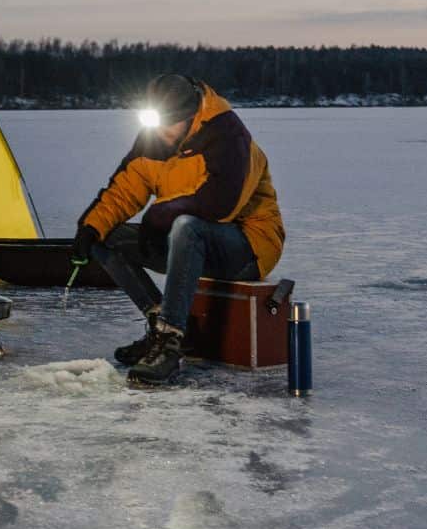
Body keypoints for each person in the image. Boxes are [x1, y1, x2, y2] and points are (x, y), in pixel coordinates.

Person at [72, 73, 284, 386]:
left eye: (169, 124)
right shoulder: (154, 141)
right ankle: (159, 323)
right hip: (187, 241)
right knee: (108, 235)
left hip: (247, 246)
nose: (162, 132)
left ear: (191, 117)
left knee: (187, 226)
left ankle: (170, 341)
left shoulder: (227, 135)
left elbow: (221, 205)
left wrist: (161, 214)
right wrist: (89, 229)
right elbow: (123, 190)